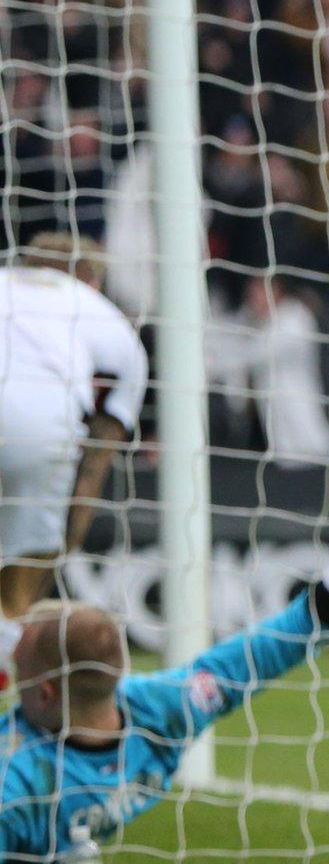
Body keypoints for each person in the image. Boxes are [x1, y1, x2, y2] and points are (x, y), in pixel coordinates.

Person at [0, 441, 329, 864]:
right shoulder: (164, 714)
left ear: (45, 691)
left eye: (15, 663)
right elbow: (296, 631)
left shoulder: (15, 784)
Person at [0, 234, 150, 622]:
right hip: (33, 433)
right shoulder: (108, 321)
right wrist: (61, 549)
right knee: (14, 598)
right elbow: (92, 472)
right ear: (92, 281)